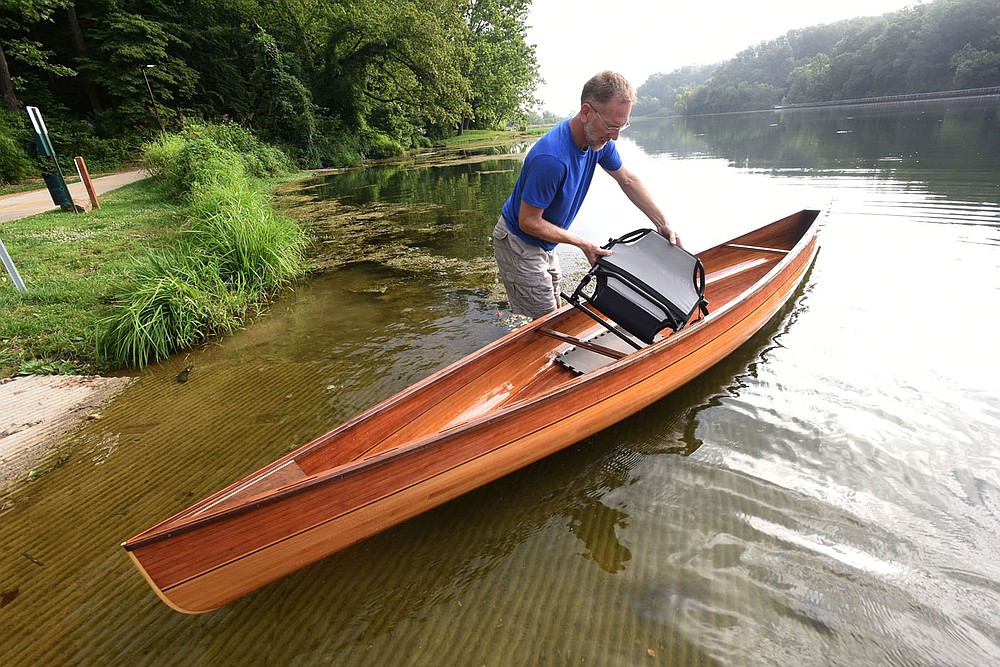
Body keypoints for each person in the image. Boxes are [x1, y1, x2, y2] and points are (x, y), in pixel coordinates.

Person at [493, 70, 679, 319]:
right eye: (612, 126)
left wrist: (662, 223)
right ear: (586, 112)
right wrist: (582, 243)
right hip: (519, 241)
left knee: (554, 308)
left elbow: (627, 179)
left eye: (622, 126)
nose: (615, 137)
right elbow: (528, 222)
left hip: (545, 242)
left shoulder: (597, 141)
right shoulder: (551, 159)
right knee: (543, 324)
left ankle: (518, 318)